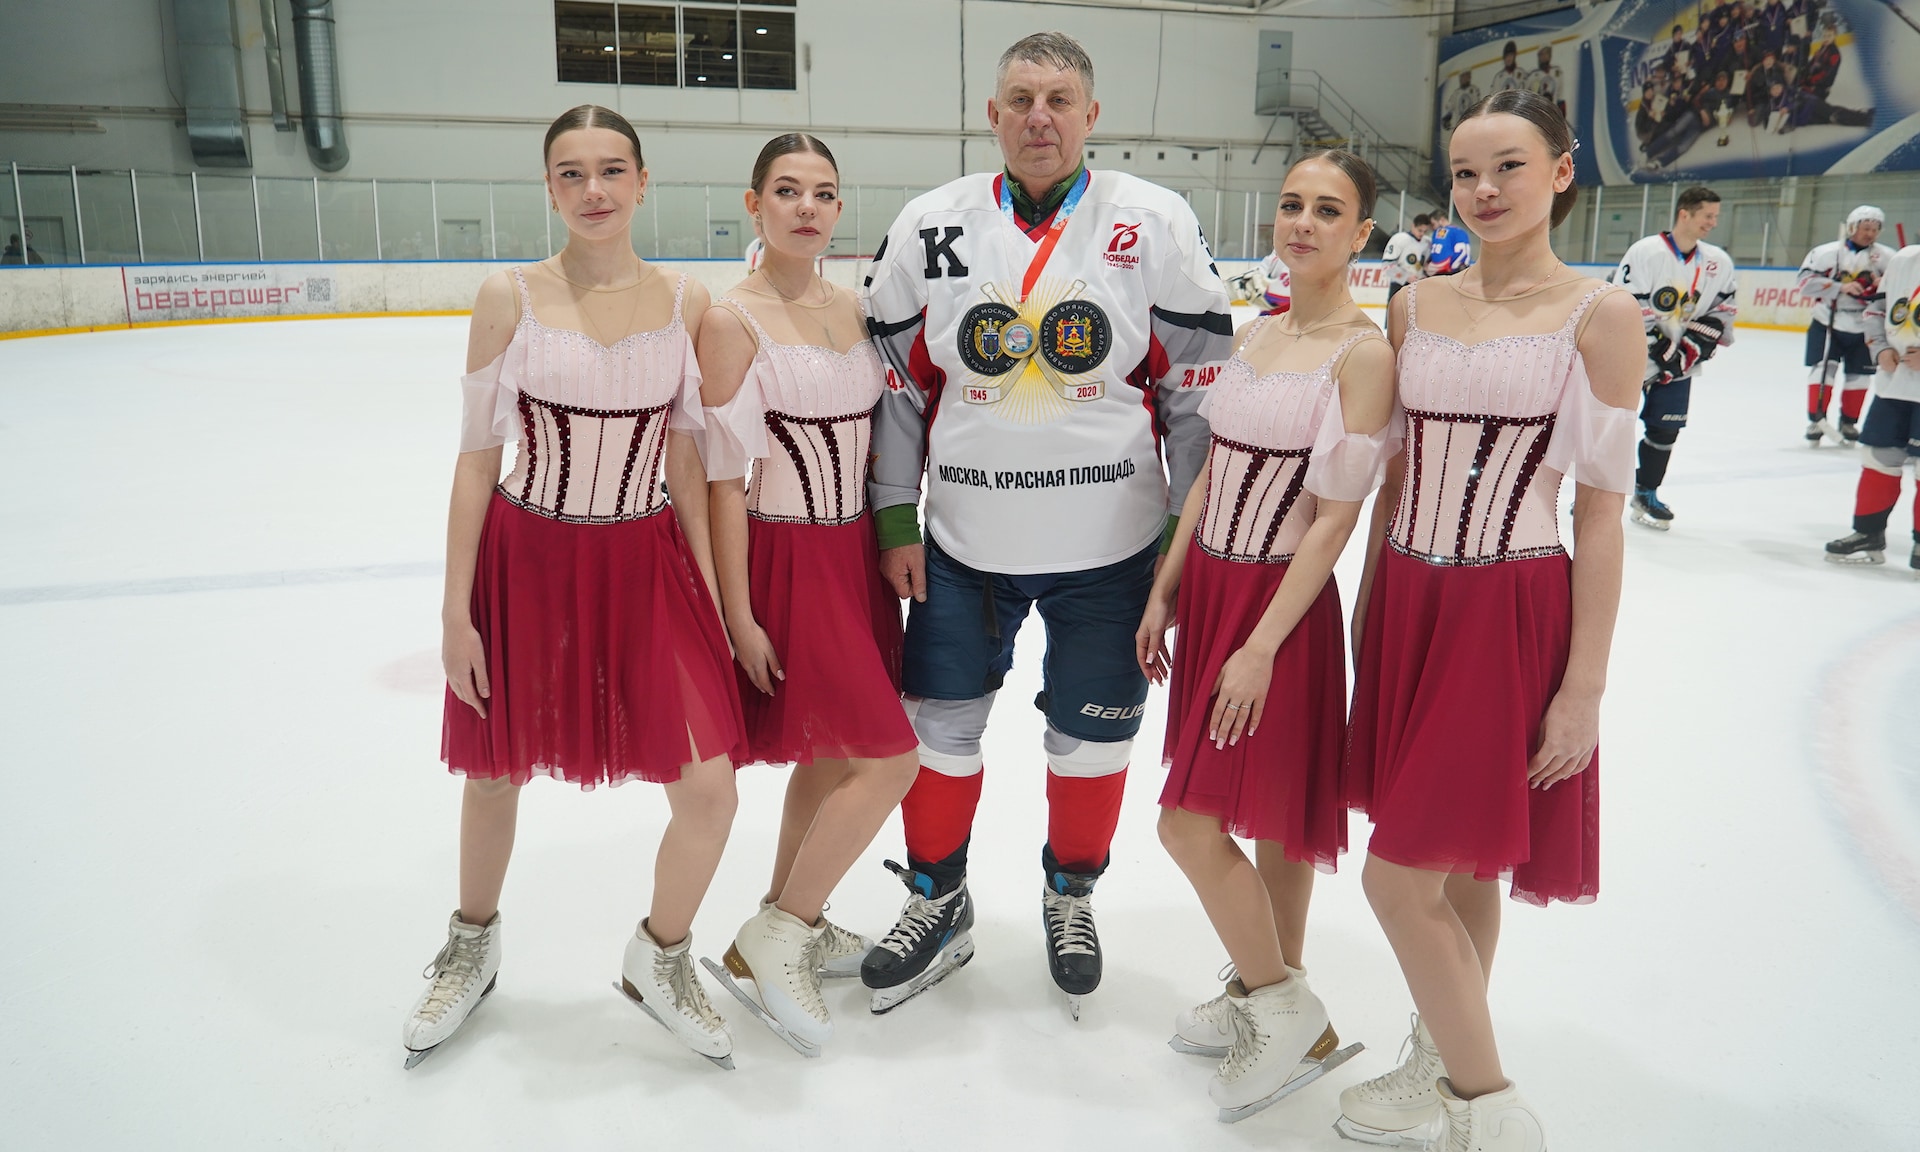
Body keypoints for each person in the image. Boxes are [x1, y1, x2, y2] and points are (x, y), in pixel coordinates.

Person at [859, 30, 1232, 1017]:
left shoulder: (1153, 220)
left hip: (1115, 552)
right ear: (992, 115)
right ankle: (938, 898)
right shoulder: (931, 224)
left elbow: (1197, 398)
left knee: (1091, 743)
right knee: (938, 734)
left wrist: (1179, 547)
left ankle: (1071, 894)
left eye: (1059, 100)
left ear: (1091, 115)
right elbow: (897, 387)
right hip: (961, 547)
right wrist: (895, 515)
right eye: (1021, 99)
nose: (1039, 117)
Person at [402, 104, 746, 1071]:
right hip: (528, 558)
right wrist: (455, 611)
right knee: (493, 772)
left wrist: (711, 602)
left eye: (611, 170)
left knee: (709, 790)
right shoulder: (506, 297)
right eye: (570, 173)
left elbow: (687, 465)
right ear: (549, 187)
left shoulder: (688, 302)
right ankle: (471, 945)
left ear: (642, 181)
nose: (593, 190)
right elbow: (477, 460)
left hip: (646, 564)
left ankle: (661, 957)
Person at [1337, 89, 1641, 1151]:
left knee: (1397, 877)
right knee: (1459, 863)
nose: (1484, 189)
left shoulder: (1602, 316)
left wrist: (1584, 688)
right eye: (1466, 171)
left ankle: (1488, 1107)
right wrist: (1370, 611)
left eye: (1509, 166)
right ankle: (1440, 1049)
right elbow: (1396, 478)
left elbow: (1601, 516)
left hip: (1511, 606)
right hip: (1411, 599)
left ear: (1561, 171)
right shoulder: (1414, 305)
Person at [1137, 149, 1396, 1122]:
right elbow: (1212, 470)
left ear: (1361, 232)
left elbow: (1333, 521)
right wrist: (1166, 586)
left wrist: (1259, 646)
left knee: (1189, 823)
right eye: (1292, 204)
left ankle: (1285, 1010)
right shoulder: (1257, 332)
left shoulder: (1364, 355)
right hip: (1211, 587)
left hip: (1279, 609)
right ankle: (1267, 989)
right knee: (1271, 821)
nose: (1303, 222)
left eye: (1328, 210)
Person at [693, 133, 920, 1054]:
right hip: (785, 554)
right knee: (891, 760)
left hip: (855, 555)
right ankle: (779, 934)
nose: (807, 208)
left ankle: (789, 918)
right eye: (787, 191)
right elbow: (722, 482)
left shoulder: (855, 308)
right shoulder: (729, 319)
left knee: (827, 757)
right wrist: (739, 614)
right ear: (755, 205)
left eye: (823, 193)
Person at [1611, 187, 1737, 531]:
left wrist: (1690, 348)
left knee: (1666, 428)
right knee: (1612, 427)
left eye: (1715, 216)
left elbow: (1724, 309)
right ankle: (1596, 494)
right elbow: (1625, 302)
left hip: (1681, 362)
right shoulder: (1646, 252)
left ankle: (1646, 492)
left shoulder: (1718, 262)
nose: (1713, 223)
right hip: (1629, 355)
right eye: (1707, 216)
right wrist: (1658, 346)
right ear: (1685, 214)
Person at [1824, 243, 1920, 569]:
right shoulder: (1904, 260)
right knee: (1879, 459)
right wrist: (1879, 348)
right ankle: (1868, 533)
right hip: (1894, 386)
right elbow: (1877, 310)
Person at [1798, 206, 1894, 444]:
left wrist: (1885, 284)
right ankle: (1816, 420)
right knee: (1822, 370)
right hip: (1827, 321)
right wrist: (1839, 287)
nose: (1870, 233)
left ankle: (1849, 422)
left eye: (1875, 229)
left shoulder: (1888, 257)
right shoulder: (1826, 253)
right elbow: (1804, 283)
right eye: (1865, 228)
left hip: (1866, 325)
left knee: (1860, 376)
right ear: (1852, 227)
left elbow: (1902, 289)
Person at [1382, 214, 1431, 302]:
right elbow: (1387, 265)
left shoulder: (1427, 242)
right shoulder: (1399, 239)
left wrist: (1425, 274)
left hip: (1418, 286)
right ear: (1413, 226)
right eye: (1420, 230)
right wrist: (1406, 277)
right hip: (1399, 285)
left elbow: (1426, 263)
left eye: (1425, 231)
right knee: (1396, 310)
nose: (1422, 234)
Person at [1425, 209, 1472, 277]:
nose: (1432, 228)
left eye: (1433, 224)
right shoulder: (1460, 231)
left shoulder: (1442, 231)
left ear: (1442, 220)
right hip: (1457, 271)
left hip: (1449, 272)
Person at [1524, 45, 1565, 114]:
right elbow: (1525, 95)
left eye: (1546, 53)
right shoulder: (1533, 75)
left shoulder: (1557, 72)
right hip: (1538, 113)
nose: (1544, 56)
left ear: (1550, 55)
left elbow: (1560, 96)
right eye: (1542, 54)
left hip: (1553, 113)